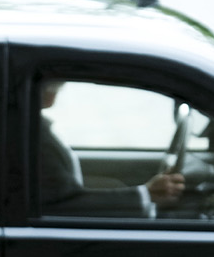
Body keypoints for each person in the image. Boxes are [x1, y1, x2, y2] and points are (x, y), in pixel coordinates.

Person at [36, 79, 187, 217]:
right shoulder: (36, 137)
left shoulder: (36, 130)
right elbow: (66, 205)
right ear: (50, 96)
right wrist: (146, 194)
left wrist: (144, 194)